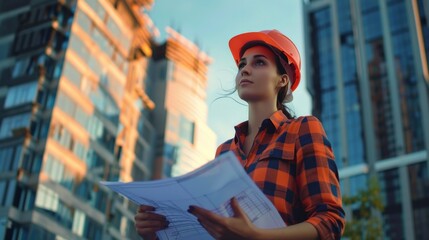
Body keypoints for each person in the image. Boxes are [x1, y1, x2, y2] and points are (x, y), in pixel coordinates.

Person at [135, 30, 345, 240]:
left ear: (282, 80)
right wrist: (157, 233)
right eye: (242, 65)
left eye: (259, 63)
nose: (245, 70)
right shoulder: (224, 152)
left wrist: (257, 237)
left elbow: (330, 221)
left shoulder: (302, 129)